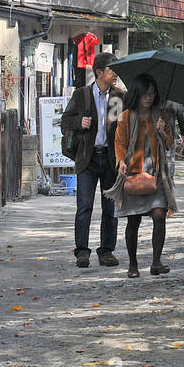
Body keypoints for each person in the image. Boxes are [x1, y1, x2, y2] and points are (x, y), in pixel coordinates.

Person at [105, 73, 180, 277]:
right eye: (145, 94)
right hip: (133, 173)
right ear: (137, 94)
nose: (149, 98)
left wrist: (163, 132)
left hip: (156, 173)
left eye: (152, 94)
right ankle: (133, 264)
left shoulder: (160, 115)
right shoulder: (126, 117)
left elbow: (170, 143)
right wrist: (121, 161)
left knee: (159, 215)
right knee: (133, 220)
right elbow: (119, 142)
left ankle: (156, 262)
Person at [60, 52, 124, 268]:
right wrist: (80, 122)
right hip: (87, 158)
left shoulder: (118, 96)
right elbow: (65, 121)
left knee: (110, 208)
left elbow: (123, 127)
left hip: (110, 159)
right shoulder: (82, 95)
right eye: (111, 70)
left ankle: (106, 251)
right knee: (84, 206)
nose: (115, 74)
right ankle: (82, 251)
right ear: (99, 72)